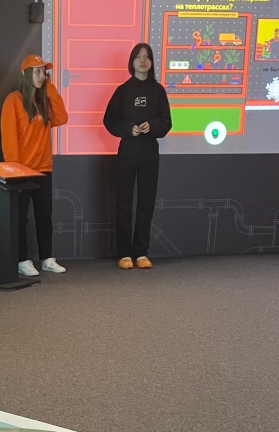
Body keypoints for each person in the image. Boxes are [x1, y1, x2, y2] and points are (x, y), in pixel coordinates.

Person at [103, 43, 172, 270]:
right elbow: (109, 121)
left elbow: (166, 122)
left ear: (151, 62)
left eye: (147, 57)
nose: (143, 61)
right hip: (127, 152)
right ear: (132, 62)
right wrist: (127, 129)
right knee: (123, 204)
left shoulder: (158, 91)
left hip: (149, 154)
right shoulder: (123, 90)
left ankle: (141, 252)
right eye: (138, 57)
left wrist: (152, 126)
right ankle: (124, 253)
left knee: (146, 203)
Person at [0, 55, 69, 277]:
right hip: (22, 170)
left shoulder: (44, 100)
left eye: (44, 72)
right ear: (26, 73)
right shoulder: (13, 100)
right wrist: (14, 170)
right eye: (37, 71)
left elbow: (62, 118)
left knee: (44, 216)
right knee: (20, 217)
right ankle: (23, 259)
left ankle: (47, 258)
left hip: (43, 168)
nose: (42, 76)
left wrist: (50, 90)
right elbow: (10, 139)